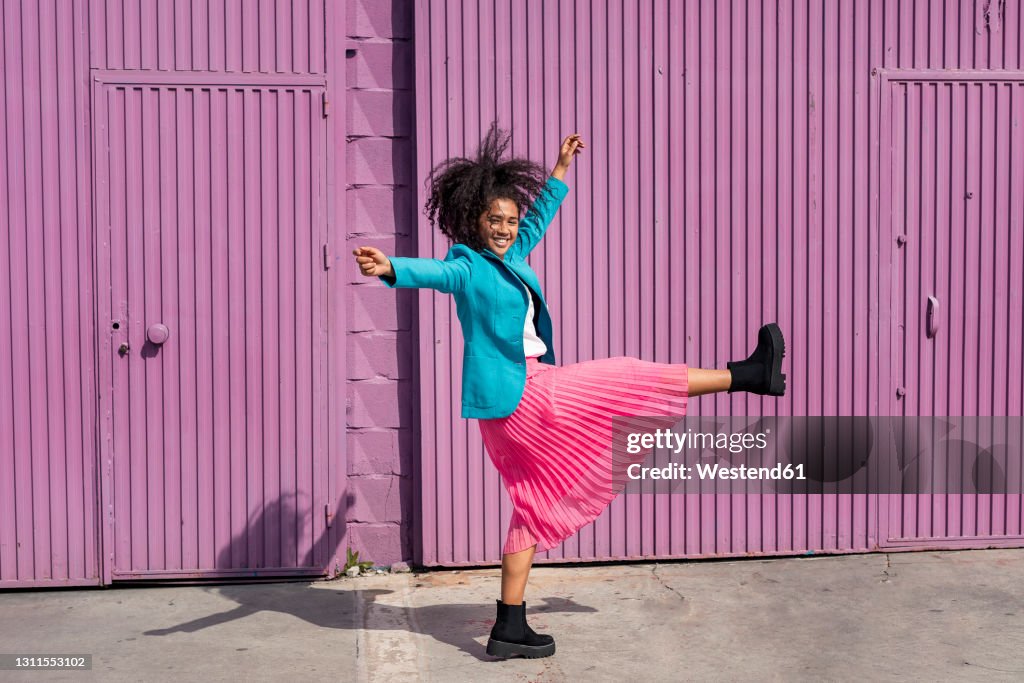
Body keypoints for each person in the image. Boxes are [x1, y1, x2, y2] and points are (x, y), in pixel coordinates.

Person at [352, 122, 787, 659]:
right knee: (630, 376)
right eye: (496, 220)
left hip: (519, 399)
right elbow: (436, 273)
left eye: (510, 221)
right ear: (475, 221)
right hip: (526, 396)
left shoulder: (512, 258)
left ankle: (508, 627)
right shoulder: (468, 265)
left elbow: (539, 218)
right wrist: (392, 267)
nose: (507, 229)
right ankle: (748, 376)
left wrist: (558, 170)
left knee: (530, 506)